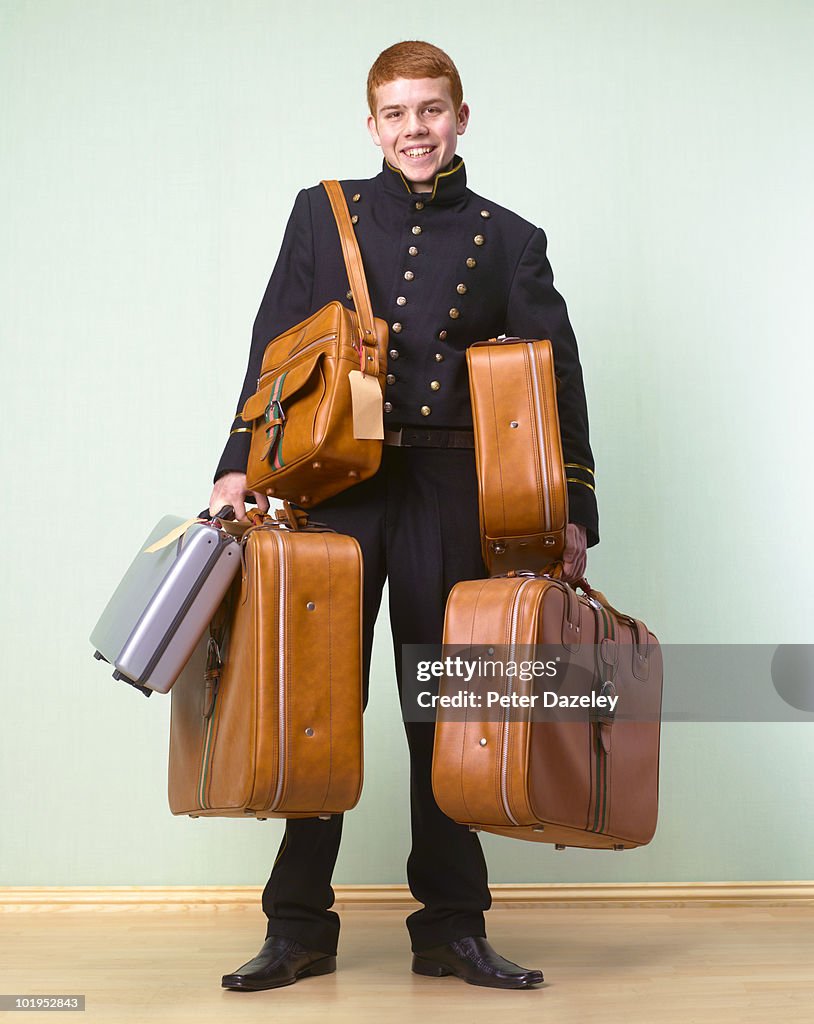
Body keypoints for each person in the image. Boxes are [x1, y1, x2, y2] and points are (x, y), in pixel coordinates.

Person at [208, 40, 599, 992]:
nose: (415, 129)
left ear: (462, 117)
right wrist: (233, 467)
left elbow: (558, 381)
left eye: (432, 110)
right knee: (314, 707)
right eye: (396, 113)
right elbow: (276, 346)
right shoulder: (322, 214)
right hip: (338, 490)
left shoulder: (511, 238)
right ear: (372, 124)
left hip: (453, 495)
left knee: (449, 711)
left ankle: (452, 929)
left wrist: (574, 506)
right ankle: (297, 927)